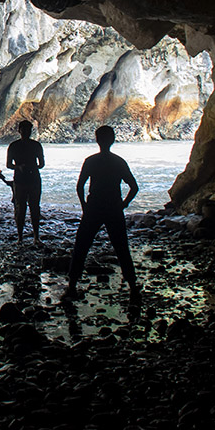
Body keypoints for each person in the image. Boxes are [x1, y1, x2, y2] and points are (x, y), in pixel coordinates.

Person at [65, 126, 141, 303]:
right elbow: (134, 187)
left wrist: (84, 205)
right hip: (114, 207)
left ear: (97, 140)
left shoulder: (91, 161)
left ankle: (71, 287)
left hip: (94, 207)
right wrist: (124, 204)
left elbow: (80, 185)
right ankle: (133, 288)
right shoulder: (118, 162)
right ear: (113, 140)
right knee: (122, 248)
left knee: (81, 247)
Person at [7, 120, 46, 245]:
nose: (25, 133)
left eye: (27, 130)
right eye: (25, 130)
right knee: (30, 208)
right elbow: (41, 164)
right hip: (31, 178)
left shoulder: (14, 146)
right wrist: (29, 167)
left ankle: (23, 238)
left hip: (21, 179)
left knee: (23, 208)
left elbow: (9, 165)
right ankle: (32, 237)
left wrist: (18, 167)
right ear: (20, 131)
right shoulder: (36, 145)